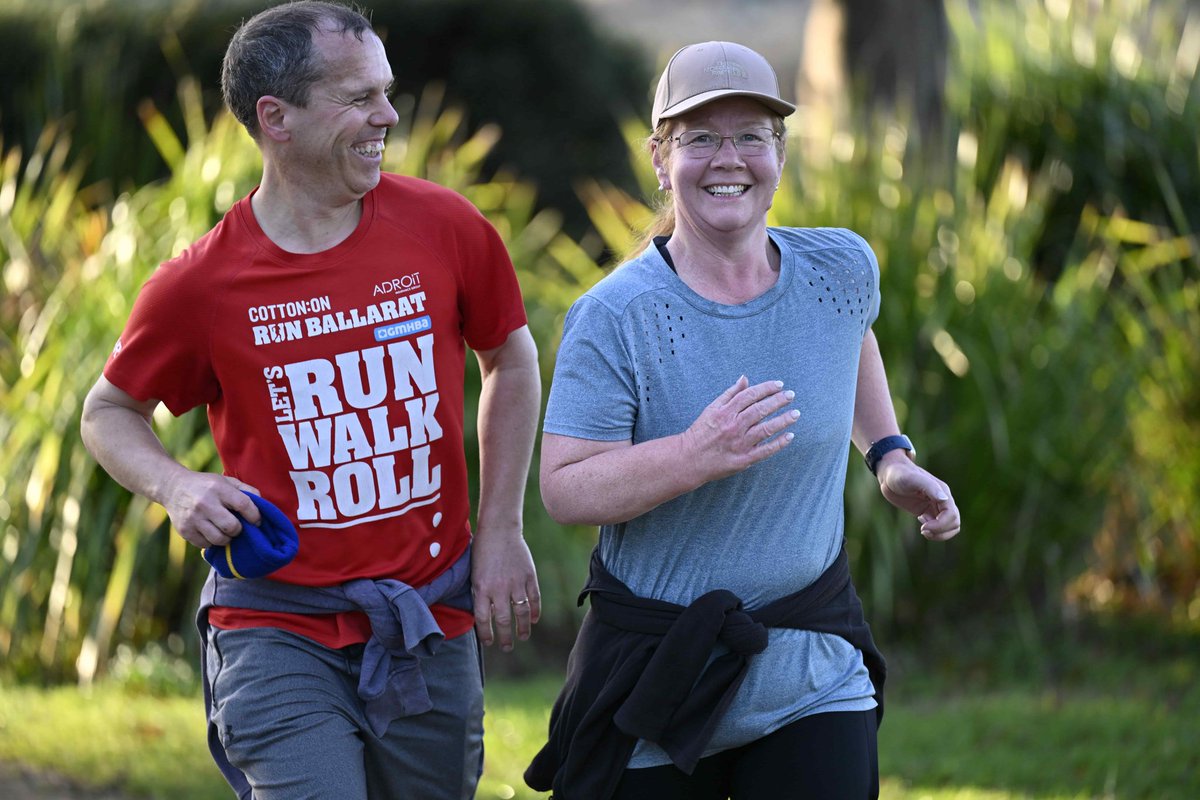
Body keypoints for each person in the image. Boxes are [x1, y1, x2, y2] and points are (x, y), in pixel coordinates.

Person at [79, 2, 542, 798]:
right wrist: (177, 485)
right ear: (276, 117)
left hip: (428, 619)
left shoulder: (446, 228)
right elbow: (107, 411)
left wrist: (500, 530)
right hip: (275, 627)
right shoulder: (202, 284)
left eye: (386, 92)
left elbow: (511, 358)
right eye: (358, 97)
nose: (387, 116)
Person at [525, 41, 960, 800]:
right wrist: (693, 454)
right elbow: (564, 491)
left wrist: (889, 453)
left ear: (779, 154)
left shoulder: (840, 269)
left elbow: (851, 336)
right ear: (661, 158)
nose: (729, 159)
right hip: (659, 679)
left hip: (811, 666)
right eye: (700, 138)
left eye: (751, 135)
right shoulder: (614, 317)